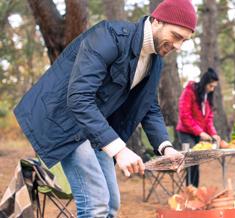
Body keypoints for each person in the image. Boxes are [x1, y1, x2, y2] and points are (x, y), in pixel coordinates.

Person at [13, 0, 197, 217]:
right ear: (157, 21)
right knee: (96, 202)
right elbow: (79, 97)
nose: (178, 46)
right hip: (64, 120)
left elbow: (148, 106)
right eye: (176, 36)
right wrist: (119, 150)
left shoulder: (155, 60)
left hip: (95, 128)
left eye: (184, 40)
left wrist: (166, 148)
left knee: (111, 204)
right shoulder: (108, 36)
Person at [176, 68, 221, 187]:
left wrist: (213, 134)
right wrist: (200, 132)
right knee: (192, 160)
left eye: (214, 86)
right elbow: (184, 115)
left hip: (197, 133)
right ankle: (190, 192)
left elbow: (209, 119)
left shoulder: (207, 97)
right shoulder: (189, 91)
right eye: (211, 86)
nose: (212, 89)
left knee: (196, 162)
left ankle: (194, 192)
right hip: (186, 132)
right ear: (205, 82)